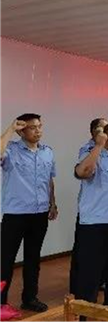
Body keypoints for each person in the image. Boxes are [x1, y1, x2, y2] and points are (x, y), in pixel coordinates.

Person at [0, 114, 58, 313]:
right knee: (5, 259)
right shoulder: (10, 150)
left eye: (40, 126)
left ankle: (30, 298)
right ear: (22, 131)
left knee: (33, 258)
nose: (38, 130)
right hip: (15, 213)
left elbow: (49, 180)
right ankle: (1, 302)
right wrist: (10, 129)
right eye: (33, 127)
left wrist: (53, 203)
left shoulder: (47, 152)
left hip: (39, 213)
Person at [73, 122, 108, 306]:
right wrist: (98, 146)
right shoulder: (94, 155)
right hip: (96, 226)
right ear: (107, 136)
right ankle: (83, 313)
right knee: (90, 275)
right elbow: (82, 172)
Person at [70, 117, 108, 295]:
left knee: (104, 253)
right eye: (101, 129)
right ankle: (77, 290)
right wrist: (98, 146)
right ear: (93, 132)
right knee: (83, 255)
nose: (105, 132)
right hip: (90, 212)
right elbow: (85, 171)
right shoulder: (88, 149)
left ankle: (100, 281)